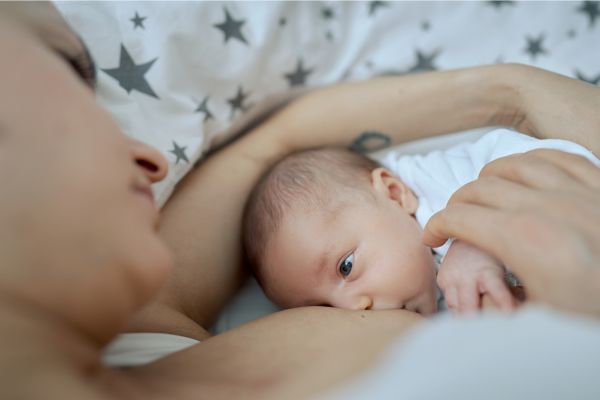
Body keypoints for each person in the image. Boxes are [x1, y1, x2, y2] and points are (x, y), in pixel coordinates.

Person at [1, 3, 600, 399]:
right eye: (71, 70)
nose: (153, 159)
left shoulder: (141, 336)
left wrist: (512, 94)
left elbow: (270, 148)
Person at [242, 129, 599, 315]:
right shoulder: (415, 324)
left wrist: (475, 237)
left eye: (346, 267)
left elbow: (556, 163)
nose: (354, 307)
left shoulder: (441, 182)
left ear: (395, 194)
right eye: (323, 309)